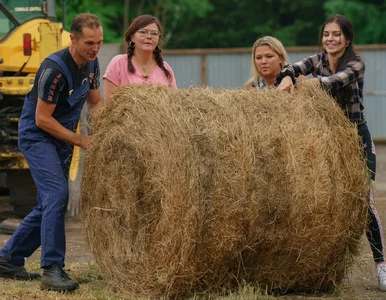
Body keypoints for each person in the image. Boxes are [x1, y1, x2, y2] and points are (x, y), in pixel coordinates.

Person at [276, 14, 386, 291]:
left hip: (355, 137)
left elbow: (333, 82)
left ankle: (381, 266)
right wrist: (288, 75)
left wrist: (302, 82)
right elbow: (293, 67)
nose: (330, 39)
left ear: (347, 39)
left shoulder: (356, 63)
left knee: (364, 202)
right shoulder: (318, 59)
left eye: (336, 35)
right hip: (326, 141)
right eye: (326, 34)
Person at [0, 13, 104, 292]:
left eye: (99, 42)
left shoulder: (92, 63)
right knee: (57, 194)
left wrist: (108, 133)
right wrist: (81, 140)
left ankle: (8, 259)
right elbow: (42, 119)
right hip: (37, 136)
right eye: (89, 43)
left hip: (62, 137)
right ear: (73, 39)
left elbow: (95, 104)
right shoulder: (53, 69)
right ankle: (52, 269)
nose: (94, 48)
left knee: (49, 201)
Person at [103, 14, 177, 102]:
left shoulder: (166, 69)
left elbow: (174, 105)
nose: (149, 36)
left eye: (154, 33)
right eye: (143, 32)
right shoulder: (118, 63)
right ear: (132, 37)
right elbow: (109, 107)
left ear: (158, 39)